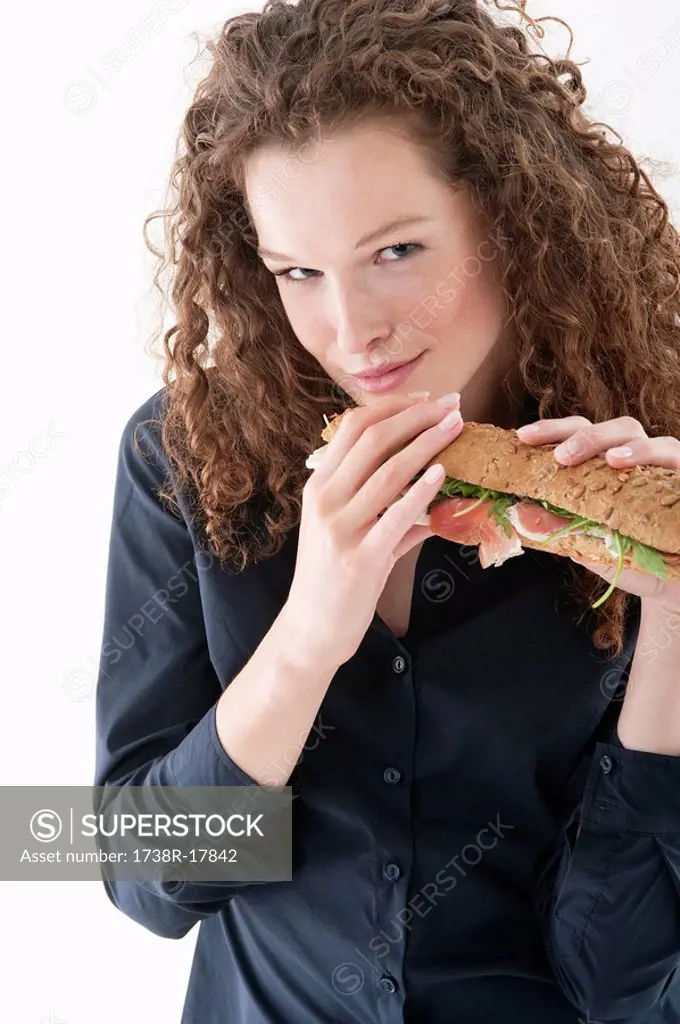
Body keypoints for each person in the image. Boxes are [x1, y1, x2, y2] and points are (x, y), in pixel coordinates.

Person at [94, 1, 680, 1021]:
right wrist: (309, 636)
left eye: (396, 252)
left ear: (509, 218)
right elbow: (136, 877)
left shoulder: (653, 468)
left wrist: (676, 615)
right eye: (298, 272)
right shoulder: (179, 452)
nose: (351, 331)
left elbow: (625, 981)